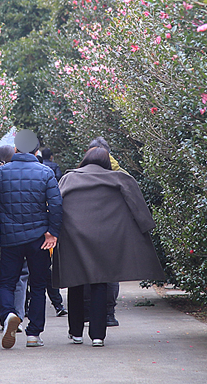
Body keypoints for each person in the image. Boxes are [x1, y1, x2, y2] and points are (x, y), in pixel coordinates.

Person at [52, 146, 165, 347]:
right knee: (99, 284)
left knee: (75, 283)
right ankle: (97, 336)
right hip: (105, 238)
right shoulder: (119, 179)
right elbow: (138, 208)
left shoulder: (69, 178)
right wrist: (146, 227)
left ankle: (76, 333)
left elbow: (56, 204)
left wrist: (51, 231)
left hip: (74, 236)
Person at [0, 129, 62, 349]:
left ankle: (9, 314)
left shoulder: (1, 172)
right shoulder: (46, 173)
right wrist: (53, 232)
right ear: (36, 150)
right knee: (38, 285)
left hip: (9, 238)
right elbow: (57, 205)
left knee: (6, 283)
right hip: (39, 239)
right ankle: (33, 335)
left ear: (16, 148)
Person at [0, 149, 30, 328]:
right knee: (21, 278)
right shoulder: (31, 175)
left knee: (0, 280)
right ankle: (19, 316)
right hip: (25, 233)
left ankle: (6, 318)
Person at [87, 137, 123, 326]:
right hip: (112, 230)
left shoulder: (80, 173)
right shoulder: (120, 173)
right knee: (110, 274)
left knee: (86, 271)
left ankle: (89, 312)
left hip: (85, 230)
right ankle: (108, 313)